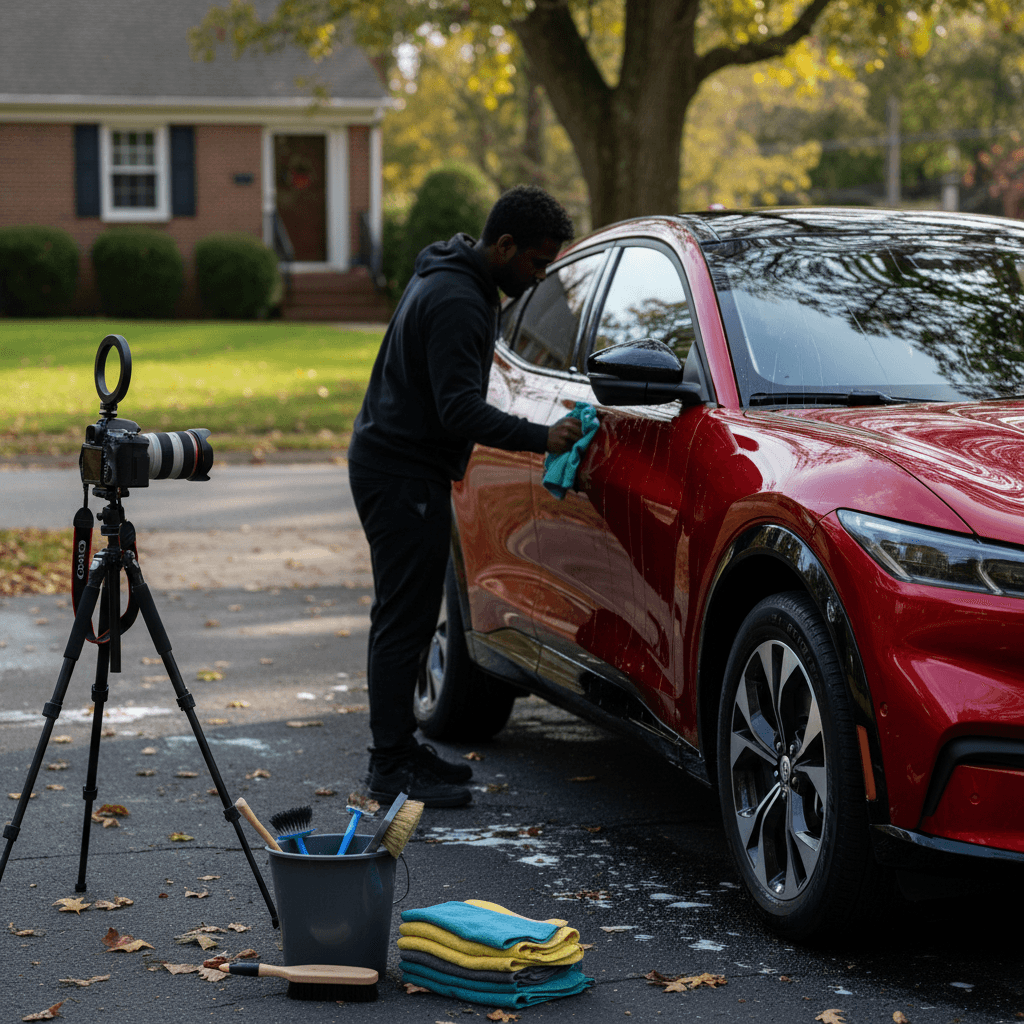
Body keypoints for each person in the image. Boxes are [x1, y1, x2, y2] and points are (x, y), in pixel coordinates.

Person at [347, 185, 581, 808]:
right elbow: (458, 412)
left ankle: (398, 750)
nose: (536, 279)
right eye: (534, 263)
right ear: (504, 246)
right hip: (401, 474)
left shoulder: (454, 275)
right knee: (403, 621)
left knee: (411, 616)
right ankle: (390, 767)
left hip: (395, 465)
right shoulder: (458, 300)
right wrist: (543, 437)